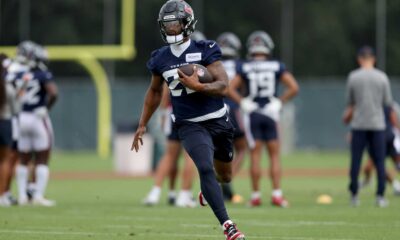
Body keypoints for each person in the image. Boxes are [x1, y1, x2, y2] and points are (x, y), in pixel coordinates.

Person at [131, 1, 245, 239]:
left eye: (175, 24)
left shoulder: (206, 49)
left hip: (218, 120)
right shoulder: (159, 58)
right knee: (204, 166)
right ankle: (228, 226)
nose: (171, 29)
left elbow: (223, 85)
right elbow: (153, 92)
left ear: (187, 24)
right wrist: (142, 123)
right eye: (167, 25)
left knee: (224, 175)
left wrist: (198, 86)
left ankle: (208, 189)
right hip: (189, 124)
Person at [228, 31, 299, 208]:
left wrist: (243, 102)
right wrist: (279, 101)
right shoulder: (276, 65)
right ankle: (276, 195)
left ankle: (256, 196)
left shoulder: (244, 67)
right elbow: (293, 87)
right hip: (271, 112)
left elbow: (230, 89)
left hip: (253, 114)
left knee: (255, 155)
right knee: (274, 155)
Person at [343, 45, 393, 207]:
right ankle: (380, 196)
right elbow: (387, 104)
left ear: (359, 59)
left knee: (356, 160)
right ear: (373, 59)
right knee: (379, 161)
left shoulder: (353, 77)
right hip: (378, 125)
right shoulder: (382, 77)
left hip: (359, 125)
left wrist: (347, 118)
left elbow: (351, 104)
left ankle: (354, 195)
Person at [12, 41, 58, 206]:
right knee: (42, 158)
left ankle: (23, 196)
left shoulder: (16, 74)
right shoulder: (42, 74)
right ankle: (37, 195)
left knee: (23, 159)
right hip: (37, 117)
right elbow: (53, 92)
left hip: (21, 117)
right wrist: (45, 108)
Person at [217, 32, 246, 203]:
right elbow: (234, 88)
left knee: (215, 150)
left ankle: (216, 183)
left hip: (213, 110)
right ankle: (227, 180)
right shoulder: (240, 66)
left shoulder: (213, 63)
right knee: (242, 148)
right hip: (232, 109)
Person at [359, 104, 400, 195]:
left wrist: (397, 133)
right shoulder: (369, 106)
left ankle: (395, 186)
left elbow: (394, 121)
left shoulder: (387, 105)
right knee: (372, 167)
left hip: (390, 140)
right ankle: (396, 186)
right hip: (377, 141)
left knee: (398, 164)